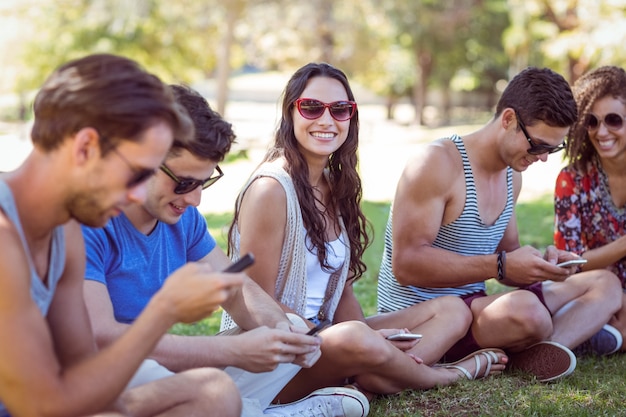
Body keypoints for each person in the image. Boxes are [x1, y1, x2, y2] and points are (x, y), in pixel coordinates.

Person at [224, 62, 507, 406]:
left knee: (453, 310)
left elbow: (341, 296)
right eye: (312, 107)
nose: (327, 120)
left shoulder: (334, 185)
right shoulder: (270, 190)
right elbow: (257, 304)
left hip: (330, 339)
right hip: (277, 357)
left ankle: (374, 371)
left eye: (340, 109)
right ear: (290, 113)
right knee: (358, 338)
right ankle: (442, 375)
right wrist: (354, 339)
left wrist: (373, 339)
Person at [81, 83, 370, 417]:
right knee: (205, 391)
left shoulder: (183, 218)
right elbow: (101, 338)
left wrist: (283, 331)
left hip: (151, 370)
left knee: (284, 329)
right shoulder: (88, 220)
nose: (194, 200)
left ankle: (245, 409)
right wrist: (230, 349)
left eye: (204, 183)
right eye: (184, 183)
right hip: (95, 376)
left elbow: (236, 289)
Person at [0, 54, 245, 417]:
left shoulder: (64, 233)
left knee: (211, 394)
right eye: (135, 174)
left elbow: (85, 374)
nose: (136, 195)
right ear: (84, 148)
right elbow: (44, 405)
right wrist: (165, 310)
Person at [376, 66, 623, 383]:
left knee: (604, 283)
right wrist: (502, 266)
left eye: (553, 148)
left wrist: (542, 264)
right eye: (538, 145)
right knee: (528, 311)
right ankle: (541, 342)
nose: (544, 157)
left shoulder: (512, 175)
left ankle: (544, 349)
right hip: (433, 317)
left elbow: (509, 254)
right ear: (508, 120)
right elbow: (406, 265)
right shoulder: (436, 163)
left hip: (475, 309)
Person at [554, 65, 626, 355]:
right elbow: (569, 264)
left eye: (613, 120)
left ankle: (604, 334)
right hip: (596, 290)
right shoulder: (572, 180)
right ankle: (604, 331)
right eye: (592, 122)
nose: (602, 132)